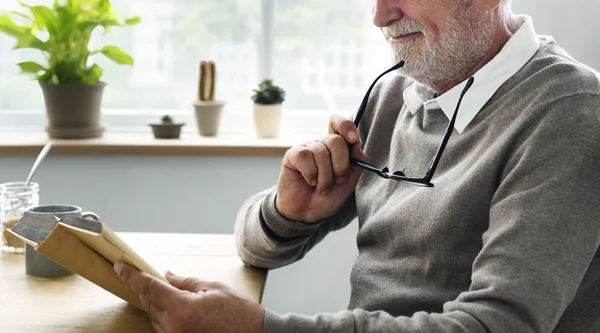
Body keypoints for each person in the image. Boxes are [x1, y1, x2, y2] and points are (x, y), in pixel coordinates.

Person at [113, 0, 600, 332]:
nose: (379, 16)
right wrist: (288, 212)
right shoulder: (399, 91)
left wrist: (261, 328)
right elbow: (253, 250)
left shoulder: (570, 112)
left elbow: (497, 326)